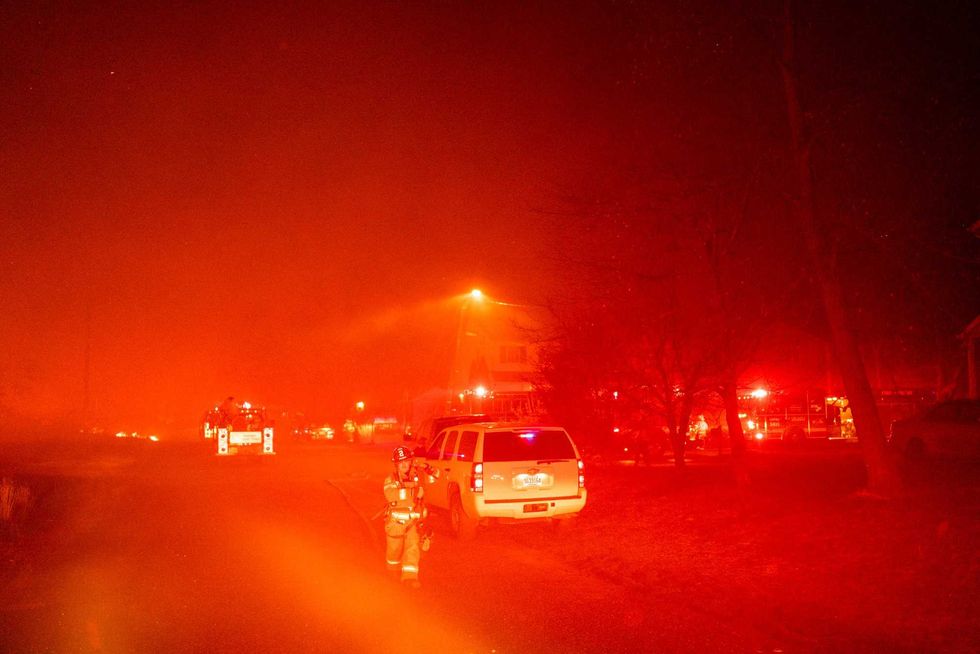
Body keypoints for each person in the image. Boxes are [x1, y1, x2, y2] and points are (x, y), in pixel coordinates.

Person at [383, 446, 437, 589]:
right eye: (401, 463)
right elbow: (392, 496)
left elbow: (436, 477)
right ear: (396, 465)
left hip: (413, 522)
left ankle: (410, 578)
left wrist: (426, 467)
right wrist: (414, 493)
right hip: (396, 524)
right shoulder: (390, 480)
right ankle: (392, 572)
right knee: (394, 551)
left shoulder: (417, 476)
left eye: (407, 462)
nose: (404, 465)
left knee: (412, 548)